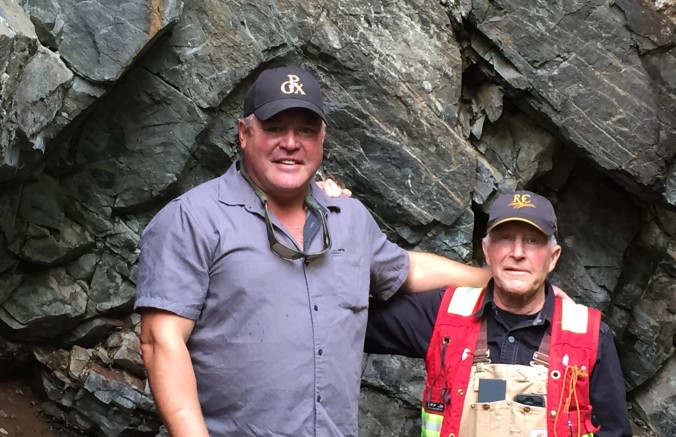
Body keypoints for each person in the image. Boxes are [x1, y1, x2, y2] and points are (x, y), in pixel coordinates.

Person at [134, 66, 491, 437]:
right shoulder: (191, 218)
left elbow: (405, 270)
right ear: (244, 133)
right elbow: (161, 341)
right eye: (274, 128)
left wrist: (496, 279)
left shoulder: (349, 218)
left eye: (305, 130)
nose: (290, 143)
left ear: (322, 138)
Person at [365, 190, 633, 437]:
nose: (518, 252)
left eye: (532, 241)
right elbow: (341, 318)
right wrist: (330, 205)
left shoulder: (589, 336)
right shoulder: (445, 315)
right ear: (486, 250)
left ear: (553, 257)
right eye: (505, 238)